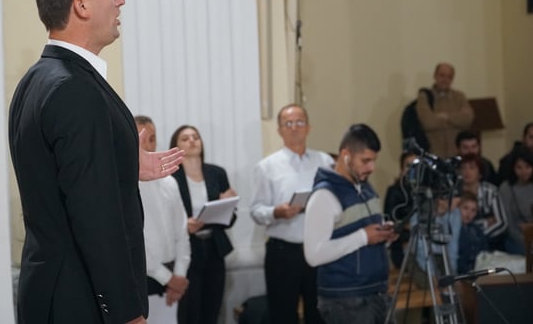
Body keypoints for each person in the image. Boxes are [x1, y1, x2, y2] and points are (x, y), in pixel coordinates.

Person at [8, 0, 183, 324]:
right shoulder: (74, 89)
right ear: (82, 5)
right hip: (80, 300)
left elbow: (62, 176)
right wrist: (125, 313)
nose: (120, 0)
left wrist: (124, 162)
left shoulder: (37, 79)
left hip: (53, 290)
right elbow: (94, 216)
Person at [304, 123, 396, 324]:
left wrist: (384, 235)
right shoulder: (324, 195)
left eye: (373, 161)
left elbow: (367, 235)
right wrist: (363, 237)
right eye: (365, 161)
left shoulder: (366, 188)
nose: (371, 168)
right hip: (345, 299)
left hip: (377, 292)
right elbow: (313, 254)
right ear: (346, 155)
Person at [251, 104, 334, 324]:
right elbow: (256, 211)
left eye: (299, 122)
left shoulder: (325, 162)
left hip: (318, 248)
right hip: (283, 252)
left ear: (309, 127)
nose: (294, 128)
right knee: (283, 314)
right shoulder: (267, 166)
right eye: (288, 124)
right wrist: (276, 212)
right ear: (280, 130)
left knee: (319, 313)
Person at [169, 125, 237, 324]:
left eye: (195, 137)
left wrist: (228, 206)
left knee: (212, 308)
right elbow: (164, 219)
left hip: (214, 248)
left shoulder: (217, 173)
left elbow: (230, 220)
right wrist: (185, 226)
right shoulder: (170, 178)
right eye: (185, 138)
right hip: (187, 250)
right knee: (190, 312)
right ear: (175, 147)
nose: (192, 141)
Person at [135, 116, 190, 323]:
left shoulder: (169, 182)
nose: (148, 145)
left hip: (174, 274)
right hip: (145, 275)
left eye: (152, 138)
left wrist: (179, 274)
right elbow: (135, 238)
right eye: (141, 139)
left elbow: (181, 231)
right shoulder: (125, 184)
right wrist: (167, 278)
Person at [416, 62, 474, 158]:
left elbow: (467, 120)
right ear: (435, 76)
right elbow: (427, 122)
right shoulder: (424, 97)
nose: (445, 80)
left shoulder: (459, 96)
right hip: (433, 153)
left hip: (457, 154)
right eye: (442, 75)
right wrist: (456, 119)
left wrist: (445, 116)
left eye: (449, 77)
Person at [458, 154, 507, 250]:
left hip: (490, 240)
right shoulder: (454, 192)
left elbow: (501, 223)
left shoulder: (491, 191)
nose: (467, 171)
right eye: (463, 168)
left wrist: (479, 235)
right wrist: (486, 222)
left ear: (480, 173)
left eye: (472, 168)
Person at [384, 152, 417, 269]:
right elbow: (390, 221)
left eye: (415, 166)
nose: (412, 170)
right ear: (402, 169)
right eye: (408, 165)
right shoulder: (394, 191)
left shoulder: (426, 191)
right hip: (402, 242)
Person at [499, 146, 533, 254]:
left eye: (528, 167)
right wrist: (527, 241)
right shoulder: (506, 188)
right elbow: (508, 224)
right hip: (516, 239)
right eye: (519, 167)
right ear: (513, 168)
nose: (524, 171)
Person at [457, 193, 489, 274]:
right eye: (465, 208)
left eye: (473, 210)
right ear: (458, 208)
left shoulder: (476, 230)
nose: (469, 213)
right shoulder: (453, 229)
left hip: (476, 270)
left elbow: (484, 251)